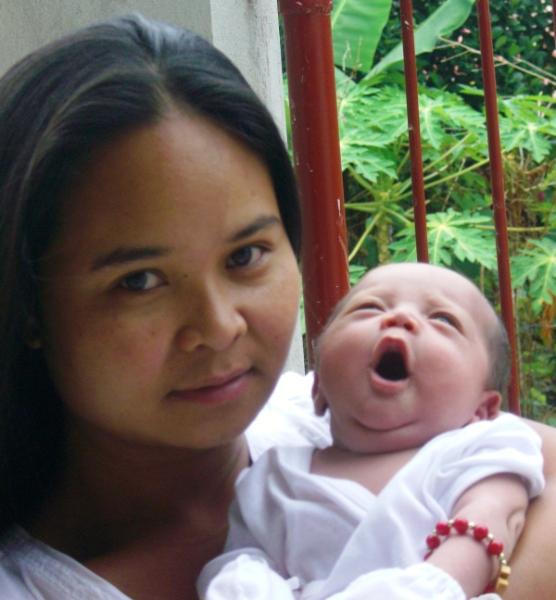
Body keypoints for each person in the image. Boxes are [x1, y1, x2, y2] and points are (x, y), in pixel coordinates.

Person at [0, 12, 554, 600]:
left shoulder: (333, 422)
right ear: (29, 305)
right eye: (139, 281)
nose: (219, 327)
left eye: (245, 256)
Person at [198, 263, 545, 600]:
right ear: (317, 388)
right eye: (370, 308)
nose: (400, 318)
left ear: (482, 409)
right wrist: (244, 582)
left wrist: (433, 585)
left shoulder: (480, 448)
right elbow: (244, 556)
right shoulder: (274, 476)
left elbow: (488, 525)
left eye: (443, 320)